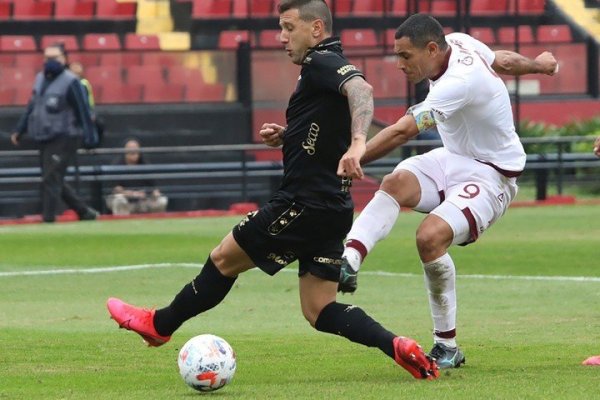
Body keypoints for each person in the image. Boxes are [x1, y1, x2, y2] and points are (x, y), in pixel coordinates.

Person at [106, 0, 439, 380]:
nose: (281, 37)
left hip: (301, 202)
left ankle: (159, 325)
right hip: (333, 207)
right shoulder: (323, 68)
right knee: (319, 309)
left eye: (288, 27)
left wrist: (359, 142)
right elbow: (325, 126)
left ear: (316, 29)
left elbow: (361, 90)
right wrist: (290, 137)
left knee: (223, 259)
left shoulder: (321, 62)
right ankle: (396, 345)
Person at [336, 14, 559, 369]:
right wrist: (539, 65)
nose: (399, 64)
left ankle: (447, 345)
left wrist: (349, 157)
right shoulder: (459, 41)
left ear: (431, 49)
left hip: (492, 175)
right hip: (454, 158)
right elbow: (499, 58)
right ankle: (349, 258)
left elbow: (401, 132)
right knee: (394, 182)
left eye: (406, 56)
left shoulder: (456, 83)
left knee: (429, 238)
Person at [11, 43, 99, 223]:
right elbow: (32, 106)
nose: (51, 62)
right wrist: (20, 129)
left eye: (55, 58)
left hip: (64, 136)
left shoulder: (71, 81)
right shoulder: (39, 79)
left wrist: (90, 137)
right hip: (44, 135)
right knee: (52, 177)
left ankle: (48, 219)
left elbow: (83, 110)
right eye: (47, 58)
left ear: (64, 59)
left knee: (50, 179)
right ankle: (84, 211)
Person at [105, 138, 168, 215]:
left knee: (161, 200)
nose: (133, 151)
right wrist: (133, 194)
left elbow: (154, 188)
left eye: (135, 149)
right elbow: (116, 190)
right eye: (130, 149)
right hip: (126, 201)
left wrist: (154, 194)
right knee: (119, 199)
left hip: (143, 201)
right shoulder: (117, 166)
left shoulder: (145, 165)